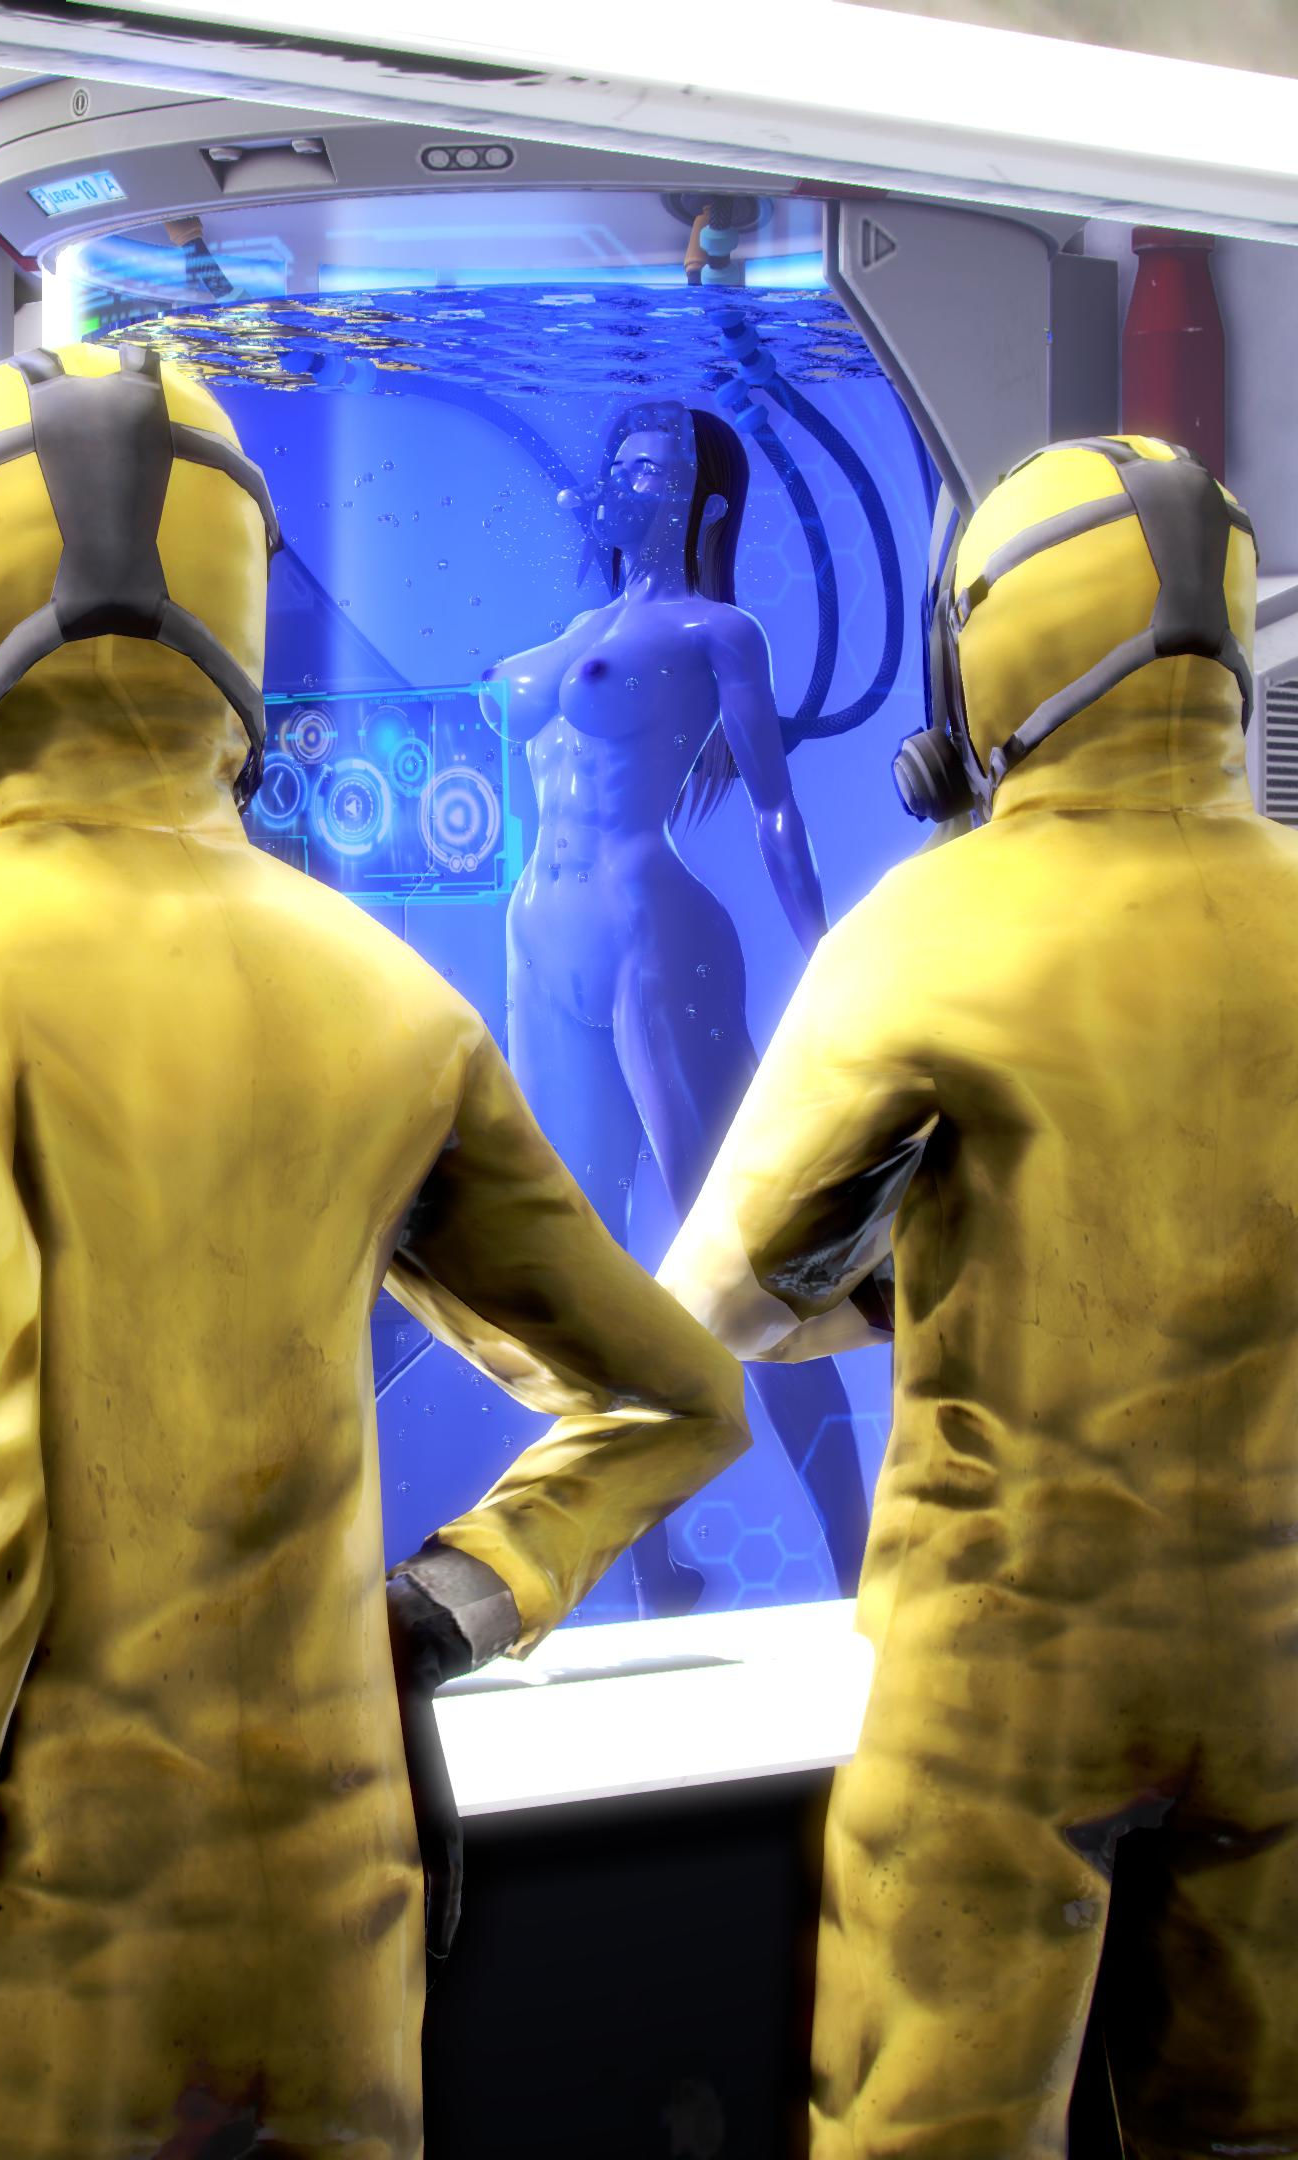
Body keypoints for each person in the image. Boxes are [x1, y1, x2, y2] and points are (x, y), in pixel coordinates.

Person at [0, 345, 752, 2160]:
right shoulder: (389, 997)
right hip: (342, 1944)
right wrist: (440, 1615)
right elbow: (681, 1398)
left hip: (45, 1977)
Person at [610, 435, 1298, 2156]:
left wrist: (909, 1282)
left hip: (1001, 1671)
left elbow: (719, 1308)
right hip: (1274, 1673)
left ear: (982, 654)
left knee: (933, 2122)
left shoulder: (934, 931)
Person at [489, 398, 869, 1604]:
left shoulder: (719, 631)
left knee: (741, 1258)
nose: (627, 480)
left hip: (654, 939)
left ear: (705, 504)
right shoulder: (574, 630)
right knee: (583, 1260)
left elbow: (773, 806)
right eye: (621, 459)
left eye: (654, 468)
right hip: (540, 943)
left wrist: (829, 959)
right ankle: (651, 1566)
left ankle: (857, 1556)